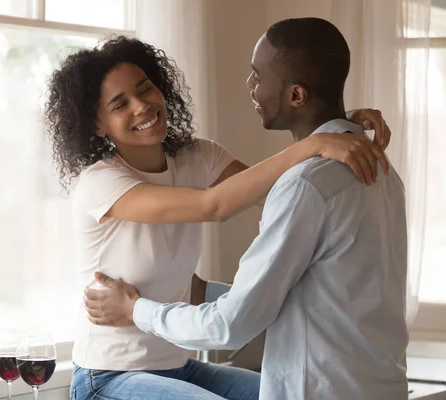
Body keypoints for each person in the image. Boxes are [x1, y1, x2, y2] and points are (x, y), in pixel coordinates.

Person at [47, 36, 392, 400]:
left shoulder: (200, 156)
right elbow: (213, 205)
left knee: (293, 394)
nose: (142, 106)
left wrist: (336, 127)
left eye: (145, 89)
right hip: (108, 376)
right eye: (120, 104)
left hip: (178, 366)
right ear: (98, 126)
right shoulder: (101, 182)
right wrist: (314, 144)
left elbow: (278, 193)